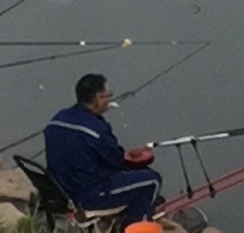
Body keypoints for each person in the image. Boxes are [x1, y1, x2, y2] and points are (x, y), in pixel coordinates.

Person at [43, 71, 165, 222]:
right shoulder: (97, 130)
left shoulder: (57, 119)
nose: (110, 99)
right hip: (87, 196)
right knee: (151, 180)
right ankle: (136, 230)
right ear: (98, 99)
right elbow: (116, 163)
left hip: (60, 191)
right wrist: (134, 159)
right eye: (109, 95)